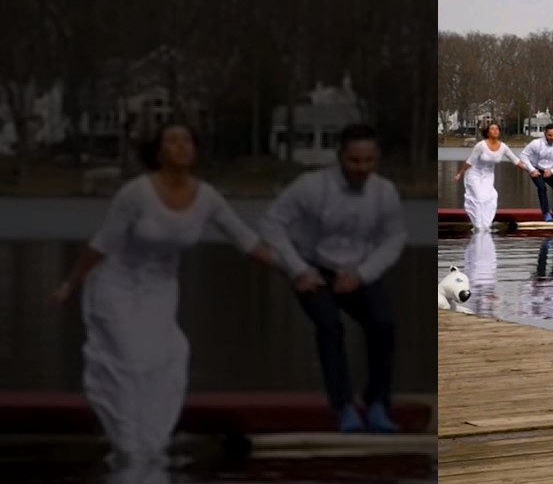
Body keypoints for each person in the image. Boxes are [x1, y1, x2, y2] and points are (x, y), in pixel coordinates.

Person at [50, 122, 275, 464]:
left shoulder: (208, 197)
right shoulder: (137, 192)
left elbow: (249, 243)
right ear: (158, 153)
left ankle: (152, 441)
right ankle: (125, 441)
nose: (182, 147)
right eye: (172, 141)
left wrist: (299, 270)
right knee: (127, 360)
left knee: (168, 356)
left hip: (161, 288)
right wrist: (70, 282)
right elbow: (102, 244)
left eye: (187, 140)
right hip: (115, 282)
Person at [258, 123, 407, 434]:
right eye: (355, 161)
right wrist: (298, 269)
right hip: (314, 270)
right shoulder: (311, 186)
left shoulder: (384, 193)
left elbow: (394, 240)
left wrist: (362, 274)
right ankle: (342, 407)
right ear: (340, 157)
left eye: (368, 161)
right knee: (330, 327)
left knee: (383, 324)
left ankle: (377, 402)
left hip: (358, 271)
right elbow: (271, 224)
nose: (362, 168)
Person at [453, 122, 528, 230]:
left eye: (497, 129)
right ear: (488, 133)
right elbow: (470, 161)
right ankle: (477, 224)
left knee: (491, 197)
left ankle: (486, 224)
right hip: (474, 174)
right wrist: (460, 173)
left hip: (488, 176)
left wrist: (531, 171)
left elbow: (516, 161)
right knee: (478, 198)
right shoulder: (481, 146)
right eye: (492, 129)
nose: (495, 131)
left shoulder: (503, 147)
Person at [519, 124, 553, 222]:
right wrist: (531, 169)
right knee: (542, 188)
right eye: (550, 135)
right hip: (537, 169)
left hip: (551, 170)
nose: (552, 138)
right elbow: (523, 155)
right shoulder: (536, 143)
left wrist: (552, 171)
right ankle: (546, 213)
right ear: (545, 134)